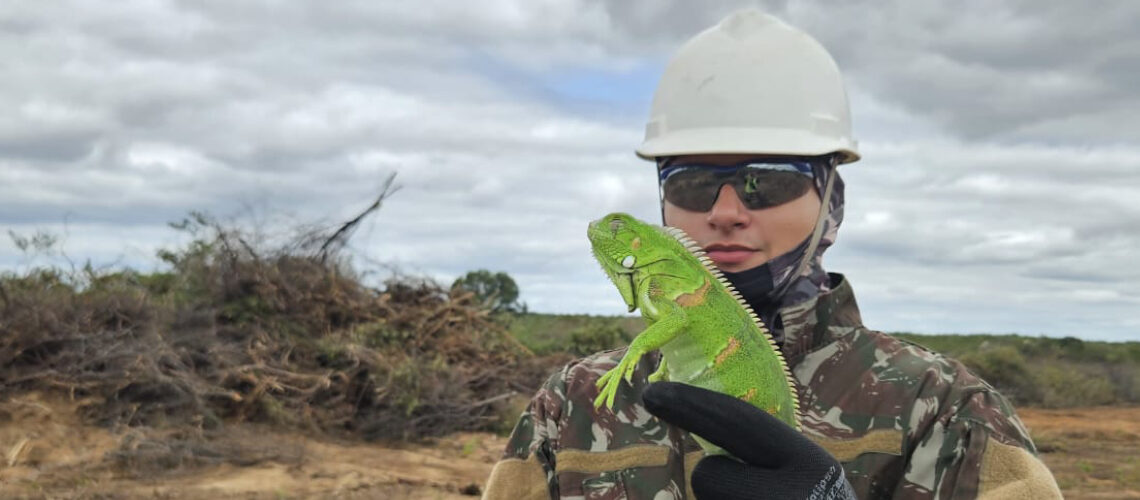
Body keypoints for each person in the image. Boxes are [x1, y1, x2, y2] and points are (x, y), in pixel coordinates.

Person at [483, 8, 1062, 499]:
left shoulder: (942, 406)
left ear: (831, 201)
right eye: (691, 184)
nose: (726, 211)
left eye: (766, 182)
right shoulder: (572, 402)